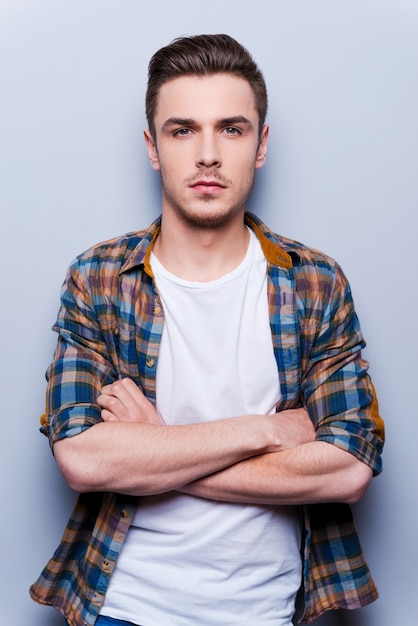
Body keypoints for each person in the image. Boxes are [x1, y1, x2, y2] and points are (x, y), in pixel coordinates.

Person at [30, 34, 384, 626]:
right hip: (123, 607)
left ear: (261, 145)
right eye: (182, 130)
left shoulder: (315, 282)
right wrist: (267, 430)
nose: (208, 155)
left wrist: (157, 447)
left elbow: (348, 468)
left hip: (266, 612)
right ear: (152, 148)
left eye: (232, 128)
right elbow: (84, 460)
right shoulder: (99, 278)